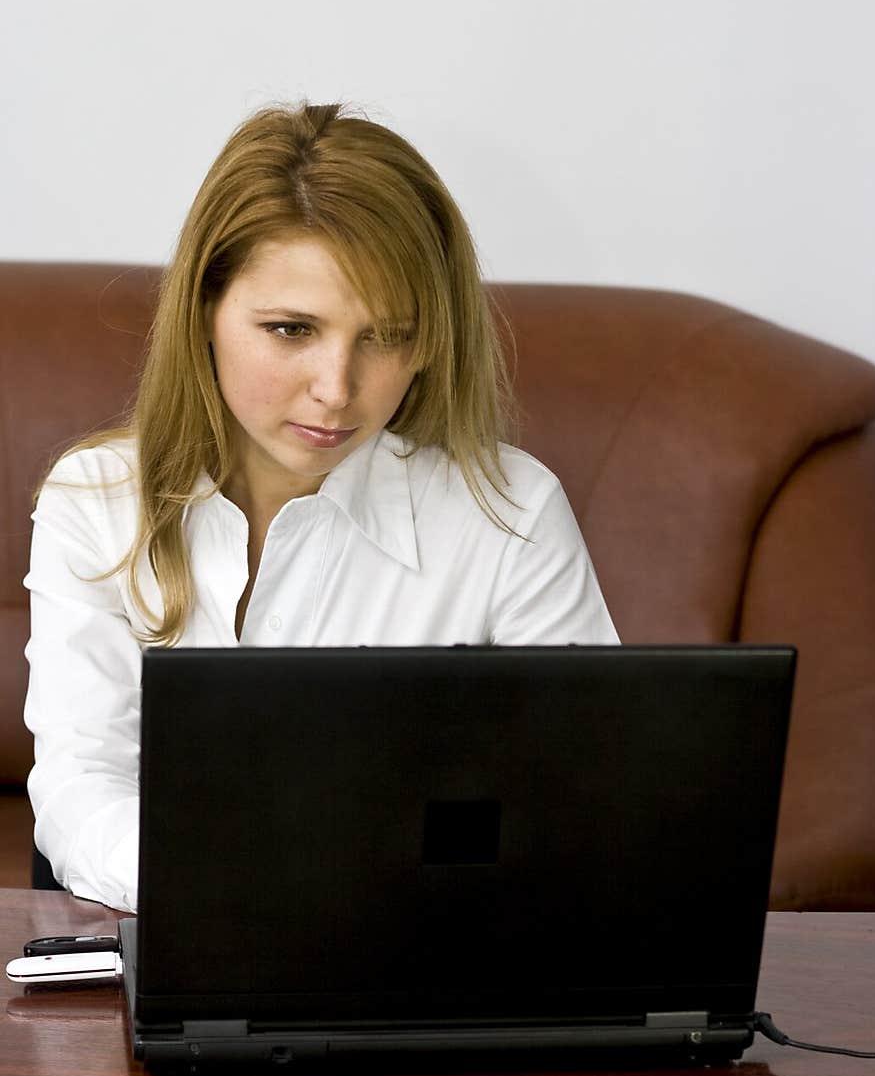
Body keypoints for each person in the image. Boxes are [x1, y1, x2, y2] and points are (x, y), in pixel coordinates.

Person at [23, 101, 618, 913]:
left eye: (386, 335)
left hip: (411, 953)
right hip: (165, 927)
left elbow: (584, 804)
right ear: (204, 309)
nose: (338, 390)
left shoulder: (509, 512)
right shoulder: (96, 502)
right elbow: (80, 780)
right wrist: (234, 889)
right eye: (292, 328)